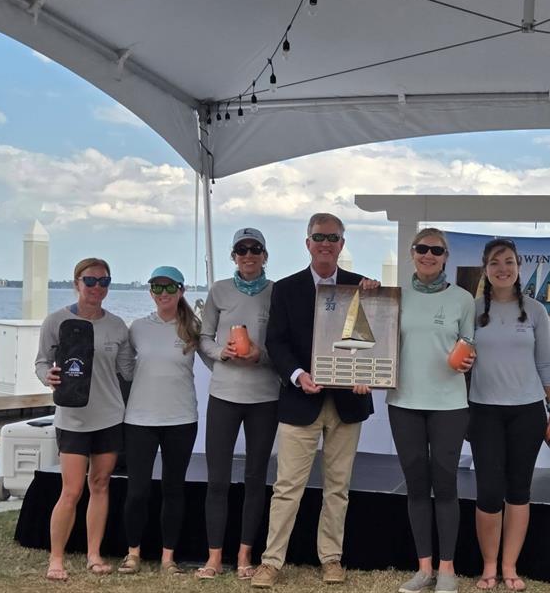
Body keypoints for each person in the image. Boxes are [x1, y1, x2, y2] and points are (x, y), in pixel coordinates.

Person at [251, 213, 378, 588]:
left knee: (338, 487)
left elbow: (376, 341)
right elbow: (276, 342)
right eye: (319, 237)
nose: (326, 243)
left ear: (342, 243)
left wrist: (365, 375)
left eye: (333, 238)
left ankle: (332, 560)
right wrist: (296, 375)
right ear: (307, 243)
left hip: (348, 405)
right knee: (287, 486)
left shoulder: (364, 287)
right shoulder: (286, 288)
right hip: (299, 400)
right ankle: (271, 562)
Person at [469, 238, 550, 591]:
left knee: (518, 491)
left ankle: (510, 567)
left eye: (508, 261)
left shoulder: (536, 311)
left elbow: (546, 364)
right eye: (495, 263)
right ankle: (489, 566)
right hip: (483, 412)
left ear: (518, 267)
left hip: (528, 413)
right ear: (486, 269)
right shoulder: (473, 309)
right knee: (489, 493)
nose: (502, 268)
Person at [387, 227, 475, 593]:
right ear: (412, 253)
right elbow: (378, 341)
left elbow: (468, 342)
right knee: (417, 486)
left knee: (446, 484)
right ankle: (424, 569)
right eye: (422, 248)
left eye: (436, 250)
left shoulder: (463, 299)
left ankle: (448, 568)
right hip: (404, 402)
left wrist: (468, 358)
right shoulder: (396, 296)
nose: (428, 255)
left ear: (445, 256)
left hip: (449, 405)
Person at [35, 257, 134, 581]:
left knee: (101, 484)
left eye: (103, 282)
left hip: (109, 417)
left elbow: (128, 370)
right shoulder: (56, 321)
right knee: (72, 490)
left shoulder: (118, 325)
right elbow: (41, 364)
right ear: (77, 283)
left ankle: (94, 555)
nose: (96, 288)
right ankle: (56, 559)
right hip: (73, 419)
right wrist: (47, 376)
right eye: (90, 281)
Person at [195, 228, 281, 580]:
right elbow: (204, 338)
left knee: (255, 478)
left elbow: (285, 344)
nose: (248, 255)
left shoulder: (277, 292)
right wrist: (222, 353)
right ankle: (214, 558)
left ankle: (245, 555)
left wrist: (262, 355)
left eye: (255, 249)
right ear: (233, 256)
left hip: (264, 397)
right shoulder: (219, 290)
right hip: (224, 395)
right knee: (217, 480)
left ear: (264, 255)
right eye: (242, 249)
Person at [117, 266, 209, 575]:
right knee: (138, 490)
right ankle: (133, 554)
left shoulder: (193, 327)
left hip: (181, 419)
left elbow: (215, 358)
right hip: (140, 419)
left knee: (173, 489)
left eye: (170, 288)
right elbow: (125, 368)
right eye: (157, 287)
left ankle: (168, 558)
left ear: (181, 291)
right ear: (150, 291)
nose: (163, 294)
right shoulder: (138, 328)